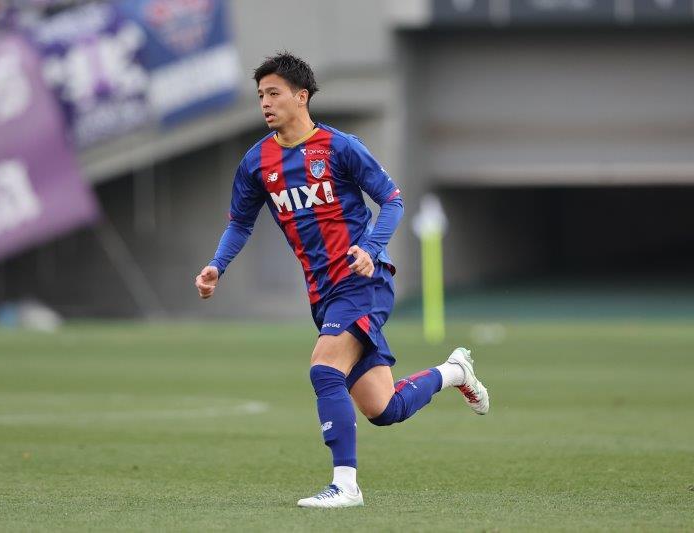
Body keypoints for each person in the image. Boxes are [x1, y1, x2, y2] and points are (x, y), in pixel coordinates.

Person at [194, 52, 489, 508]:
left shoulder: (339, 147)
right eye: (260, 95)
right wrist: (218, 264)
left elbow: (392, 200)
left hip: (363, 280)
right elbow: (240, 223)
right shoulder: (257, 162)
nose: (265, 103)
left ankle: (346, 485)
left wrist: (369, 249)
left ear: (301, 96)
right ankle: (454, 372)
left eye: (274, 93)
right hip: (323, 293)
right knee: (383, 408)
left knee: (324, 368)